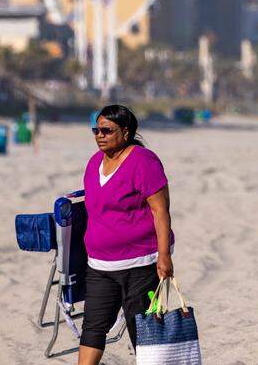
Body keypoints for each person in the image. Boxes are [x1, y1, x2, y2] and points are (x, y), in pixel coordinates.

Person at [78, 105, 174, 365]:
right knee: (93, 328)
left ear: (126, 131)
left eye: (107, 130)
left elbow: (160, 211)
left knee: (141, 331)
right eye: (96, 130)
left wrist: (164, 256)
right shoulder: (94, 163)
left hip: (140, 264)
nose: (100, 135)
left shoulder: (143, 161)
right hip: (99, 264)